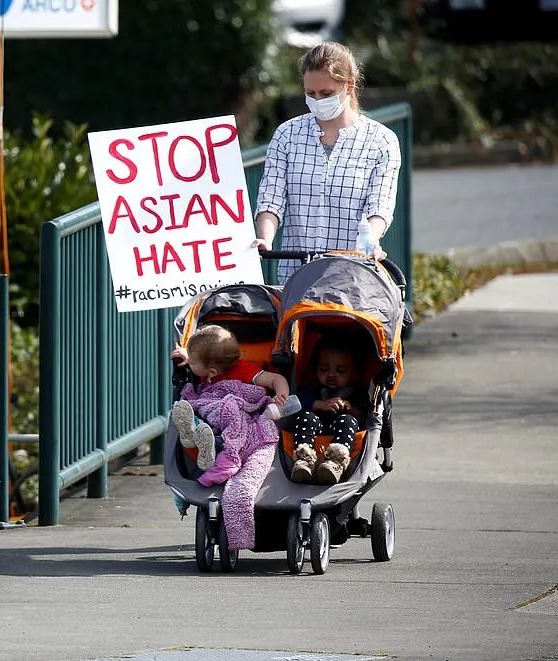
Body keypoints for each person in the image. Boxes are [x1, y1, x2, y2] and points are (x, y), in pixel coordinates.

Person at [251, 41, 402, 284]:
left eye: (326, 94)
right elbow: (271, 199)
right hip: (295, 277)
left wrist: (370, 240)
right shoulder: (287, 135)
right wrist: (265, 239)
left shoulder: (381, 141)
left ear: (349, 86)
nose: (318, 100)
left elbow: (380, 206)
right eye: (310, 94)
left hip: (352, 277)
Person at [170, 325, 289, 550]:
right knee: (204, 410)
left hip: (238, 411)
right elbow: (199, 362)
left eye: (193, 363)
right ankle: (203, 439)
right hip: (214, 412)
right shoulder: (209, 368)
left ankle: (211, 446)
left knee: (229, 416)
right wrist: (188, 355)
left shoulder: (245, 371)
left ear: (212, 372)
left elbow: (275, 379)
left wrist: (281, 393)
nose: (190, 366)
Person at [290, 336, 369, 484]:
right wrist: (318, 404)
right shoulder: (313, 388)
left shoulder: (357, 393)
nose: (331, 375)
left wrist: (351, 409)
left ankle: (336, 462)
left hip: (342, 437)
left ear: (355, 374)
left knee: (347, 420)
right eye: (324, 369)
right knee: (306, 416)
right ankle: (304, 459)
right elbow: (295, 404)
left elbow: (366, 415)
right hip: (315, 430)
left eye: (341, 371)